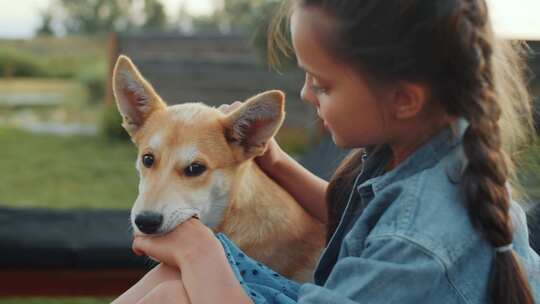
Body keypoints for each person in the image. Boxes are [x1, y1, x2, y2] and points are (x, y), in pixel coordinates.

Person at [112, 0, 540, 303]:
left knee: (176, 285)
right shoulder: (428, 146)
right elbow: (355, 219)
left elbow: (393, 234)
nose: (305, 94)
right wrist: (276, 162)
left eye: (322, 83)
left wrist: (197, 249)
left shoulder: (415, 243)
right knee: (168, 284)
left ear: (404, 99)